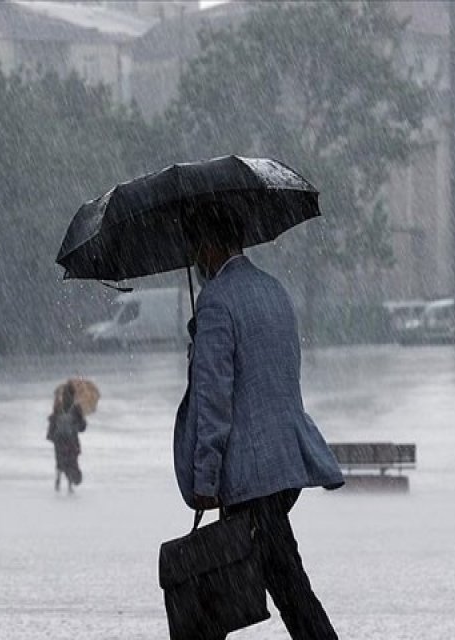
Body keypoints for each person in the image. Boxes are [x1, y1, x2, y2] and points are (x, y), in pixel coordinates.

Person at [173, 203, 345, 639]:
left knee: (282, 587)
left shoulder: (216, 304)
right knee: (238, 579)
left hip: (250, 476)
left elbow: (214, 402)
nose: (195, 259)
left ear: (208, 246)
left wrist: (204, 480)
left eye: (196, 247)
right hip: (284, 464)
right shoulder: (274, 291)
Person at [47, 381, 87, 494]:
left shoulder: (58, 406)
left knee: (60, 460)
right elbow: (82, 426)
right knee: (71, 460)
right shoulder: (76, 408)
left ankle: (58, 479)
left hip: (59, 439)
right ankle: (69, 485)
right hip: (71, 439)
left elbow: (53, 421)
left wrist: (51, 435)